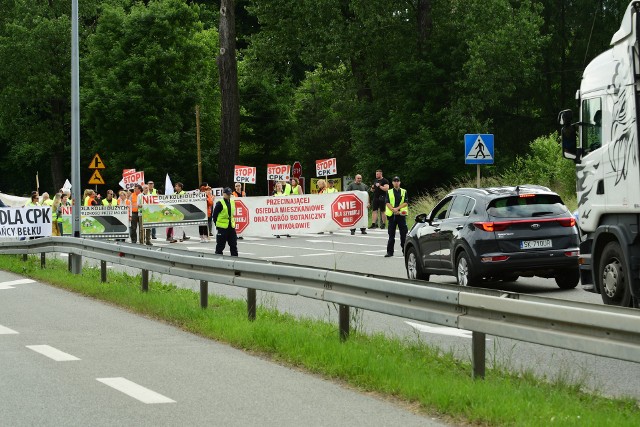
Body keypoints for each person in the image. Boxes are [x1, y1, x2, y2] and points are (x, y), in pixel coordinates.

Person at [384, 176, 408, 258]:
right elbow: (387, 202)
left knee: (403, 235)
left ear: (400, 182)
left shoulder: (404, 191)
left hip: (401, 215)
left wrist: (397, 209)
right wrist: (393, 210)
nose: (396, 182)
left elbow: (406, 202)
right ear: (392, 183)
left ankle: (405, 251)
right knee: (391, 235)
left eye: (397, 181)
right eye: (395, 181)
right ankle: (390, 252)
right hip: (392, 215)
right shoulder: (389, 191)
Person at [212, 187, 238, 256]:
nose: (229, 195)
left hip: (231, 227)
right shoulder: (219, 203)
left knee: (233, 244)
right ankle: (218, 259)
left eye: (230, 194)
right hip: (222, 228)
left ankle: (235, 259)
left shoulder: (232, 202)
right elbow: (214, 216)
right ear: (223, 194)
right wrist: (217, 225)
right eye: (227, 194)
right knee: (220, 245)